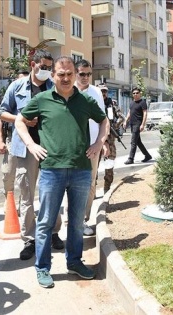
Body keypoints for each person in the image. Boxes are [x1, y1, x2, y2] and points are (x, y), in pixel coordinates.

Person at [15, 56, 110, 288]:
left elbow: (104, 121)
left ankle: (75, 262)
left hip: (81, 171)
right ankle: (43, 268)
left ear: (75, 75)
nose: (66, 78)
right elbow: (20, 121)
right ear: (54, 76)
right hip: (51, 171)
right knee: (46, 222)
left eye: (69, 74)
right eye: (61, 74)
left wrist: (99, 142)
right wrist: (31, 145)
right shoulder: (42, 99)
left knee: (76, 223)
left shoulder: (85, 100)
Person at [0, 50, 64, 261]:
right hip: (25, 148)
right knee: (26, 194)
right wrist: (22, 119)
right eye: (42, 66)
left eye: (48, 67)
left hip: (51, 147)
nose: (45, 71)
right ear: (32, 64)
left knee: (53, 191)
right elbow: (1, 112)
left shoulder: (53, 87)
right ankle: (29, 239)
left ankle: (53, 232)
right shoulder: (17, 87)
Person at [73, 59, 107, 236]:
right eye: (82, 74)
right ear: (75, 73)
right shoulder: (67, 90)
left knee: (90, 184)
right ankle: (68, 222)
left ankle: (83, 221)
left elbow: (103, 120)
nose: (85, 77)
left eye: (88, 74)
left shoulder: (96, 92)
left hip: (92, 147)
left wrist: (102, 143)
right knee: (68, 185)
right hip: (71, 148)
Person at [0, 70, 30, 197]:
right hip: (13, 139)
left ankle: (24, 204)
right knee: (8, 172)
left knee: (25, 175)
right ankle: (9, 201)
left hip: (30, 140)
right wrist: (0, 141)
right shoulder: (11, 96)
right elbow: (0, 119)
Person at [98, 85, 125, 194]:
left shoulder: (112, 103)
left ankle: (106, 189)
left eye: (105, 91)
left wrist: (113, 126)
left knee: (109, 165)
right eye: (101, 91)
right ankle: (92, 191)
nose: (103, 93)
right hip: (96, 139)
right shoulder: (93, 102)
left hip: (109, 139)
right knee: (93, 166)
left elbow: (121, 117)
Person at [122, 87, 152, 164]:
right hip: (132, 124)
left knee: (133, 142)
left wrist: (142, 124)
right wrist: (125, 121)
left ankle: (131, 158)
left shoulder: (142, 102)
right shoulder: (132, 103)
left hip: (138, 124)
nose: (135, 94)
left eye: (137, 93)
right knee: (138, 142)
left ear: (140, 94)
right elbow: (129, 112)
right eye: (134, 93)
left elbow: (145, 114)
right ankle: (147, 156)